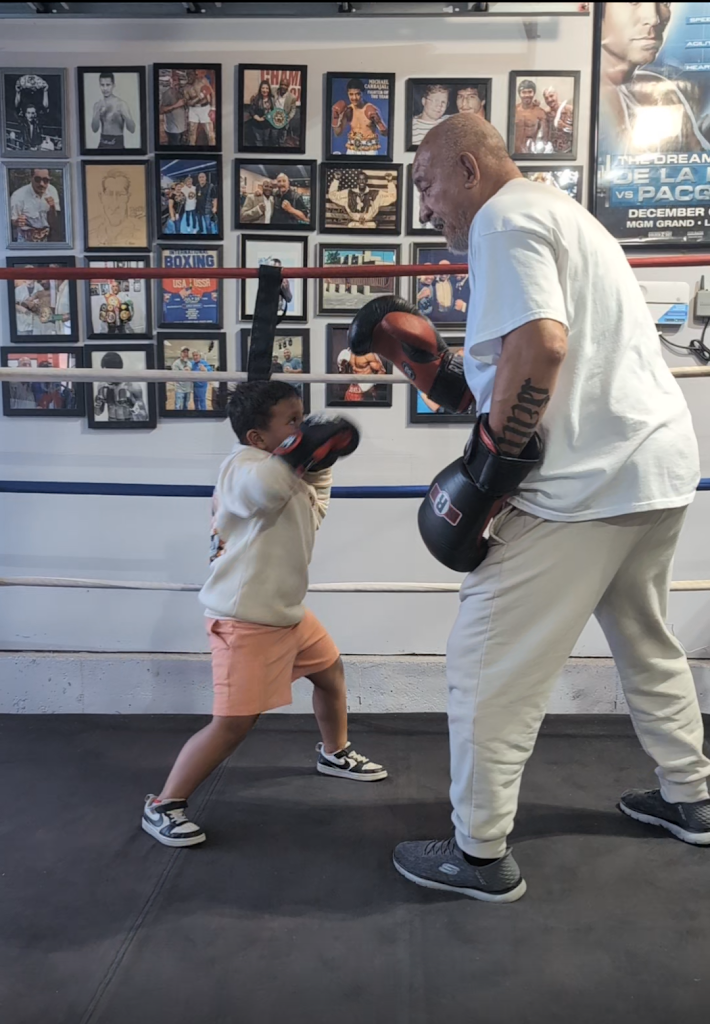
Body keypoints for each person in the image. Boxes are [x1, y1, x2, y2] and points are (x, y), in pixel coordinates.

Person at [348, 113, 710, 903]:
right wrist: (440, 373)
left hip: (582, 487)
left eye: (427, 185)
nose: (426, 207)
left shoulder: (503, 220)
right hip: (654, 471)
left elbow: (542, 346)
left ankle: (479, 854)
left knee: (486, 662)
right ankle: (692, 796)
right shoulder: (562, 214)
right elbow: (528, 362)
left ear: (469, 170)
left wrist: (491, 467)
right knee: (646, 640)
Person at [141, 381, 387, 847]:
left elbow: (314, 509)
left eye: (303, 417)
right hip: (246, 619)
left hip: (288, 613)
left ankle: (334, 752)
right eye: (292, 421)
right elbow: (261, 493)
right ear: (257, 438)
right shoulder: (243, 468)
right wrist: (300, 454)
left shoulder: (287, 473)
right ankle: (164, 804)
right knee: (234, 723)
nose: (303, 426)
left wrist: (321, 464)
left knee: (331, 673)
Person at [599, 1, 710, 154]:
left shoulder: (665, 92)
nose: (654, 18)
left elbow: (697, 158)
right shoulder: (576, 98)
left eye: (664, 2)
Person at [88, 169, 144, 248]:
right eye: (109, 194)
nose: (114, 204)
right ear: (101, 197)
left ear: (128, 197)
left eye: (121, 194)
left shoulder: (142, 230)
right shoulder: (89, 232)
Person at [332, 77, 388, 156]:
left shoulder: (372, 109)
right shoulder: (348, 110)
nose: (354, 98)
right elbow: (337, 133)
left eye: (358, 94)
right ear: (347, 94)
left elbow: (385, 134)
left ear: (362, 93)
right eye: (351, 94)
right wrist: (335, 118)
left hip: (369, 150)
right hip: (352, 149)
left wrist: (379, 122)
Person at [327, 170, 397, 229]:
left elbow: (392, 197)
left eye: (363, 179)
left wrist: (390, 181)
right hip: (353, 225)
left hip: (370, 225)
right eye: (359, 179)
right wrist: (336, 180)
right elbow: (332, 196)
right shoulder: (349, 193)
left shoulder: (375, 194)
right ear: (357, 181)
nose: (361, 181)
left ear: (366, 181)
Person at [10, 167, 60, 244]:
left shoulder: (52, 191)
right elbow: (12, 221)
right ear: (31, 178)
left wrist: (52, 207)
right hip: (25, 240)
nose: (41, 184)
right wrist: (18, 222)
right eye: (37, 179)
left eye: (45, 180)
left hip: (46, 238)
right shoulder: (18, 195)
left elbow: (53, 222)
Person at [94, 352, 148, 422]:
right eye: (104, 373)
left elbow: (143, 417)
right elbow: (98, 413)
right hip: (110, 425)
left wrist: (132, 405)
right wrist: (98, 404)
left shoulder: (132, 386)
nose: (106, 376)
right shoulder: (102, 385)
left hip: (128, 425)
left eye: (109, 373)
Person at [90, 71, 136, 150]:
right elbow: (94, 129)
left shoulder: (121, 104)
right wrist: (97, 112)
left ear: (113, 85)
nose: (105, 88)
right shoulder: (97, 105)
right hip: (102, 144)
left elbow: (132, 129)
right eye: (102, 85)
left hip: (117, 144)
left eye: (108, 85)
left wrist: (125, 116)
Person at [513, 79, 548, 154]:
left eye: (530, 92)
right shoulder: (513, 111)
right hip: (514, 152)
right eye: (524, 92)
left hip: (532, 153)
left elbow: (544, 136)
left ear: (534, 93)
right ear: (519, 94)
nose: (527, 95)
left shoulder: (540, 112)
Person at [184, 69, 215, 148]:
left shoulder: (203, 81)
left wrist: (213, 108)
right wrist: (200, 96)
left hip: (204, 108)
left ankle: (213, 150)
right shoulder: (186, 87)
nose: (189, 78)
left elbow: (212, 93)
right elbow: (188, 103)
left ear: (195, 75)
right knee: (191, 133)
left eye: (191, 75)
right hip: (193, 110)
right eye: (187, 76)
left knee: (210, 134)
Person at [159, 70, 188, 147]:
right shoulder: (166, 94)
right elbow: (161, 110)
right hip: (173, 131)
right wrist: (176, 105)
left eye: (178, 80)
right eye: (174, 80)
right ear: (170, 81)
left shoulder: (180, 93)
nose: (177, 82)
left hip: (183, 129)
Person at [543, 88, 574, 154]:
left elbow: (580, 132)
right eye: (546, 98)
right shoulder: (546, 113)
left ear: (556, 95)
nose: (549, 100)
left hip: (569, 151)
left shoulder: (570, 110)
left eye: (551, 96)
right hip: (552, 151)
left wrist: (564, 126)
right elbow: (545, 132)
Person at [171, 346, 194, 411]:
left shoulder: (189, 363)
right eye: (184, 352)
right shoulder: (176, 363)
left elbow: (191, 375)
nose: (185, 354)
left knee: (186, 406)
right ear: (181, 353)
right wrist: (184, 371)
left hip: (188, 389)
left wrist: (190, 371)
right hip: (179, 390)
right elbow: (174, 376)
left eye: (187, 352)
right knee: (178, 406)